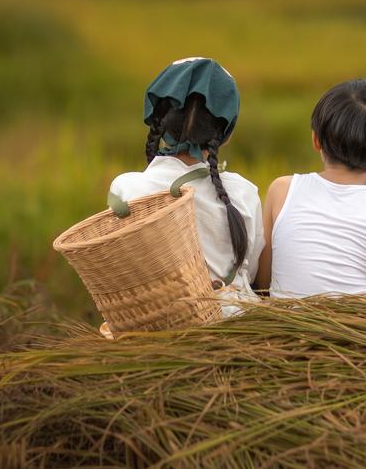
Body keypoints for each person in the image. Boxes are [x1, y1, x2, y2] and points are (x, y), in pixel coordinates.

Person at [109, 57, 263, 318]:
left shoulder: (124, 189)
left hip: (160, 323)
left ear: (158, 119)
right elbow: (253, 272)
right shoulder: (245, 193)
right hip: (237, 325)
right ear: (226, 132)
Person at [255, 78, 366, 297]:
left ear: (316, 140)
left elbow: (262, 281)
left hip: (285, 324)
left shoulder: (281, 189)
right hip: (357, 326)